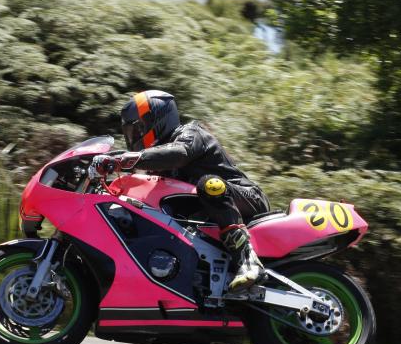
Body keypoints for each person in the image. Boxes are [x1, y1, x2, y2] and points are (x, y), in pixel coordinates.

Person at [91, 90, 270, 291]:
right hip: (212, 211)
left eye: (139, 129)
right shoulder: (157, 163)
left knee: (209, 184)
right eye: (131, 131)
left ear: (157, 120)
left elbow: (179, 153)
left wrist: (125, 160)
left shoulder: (191, 134)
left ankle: (248, 261)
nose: (136, 136)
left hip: (247, 197)